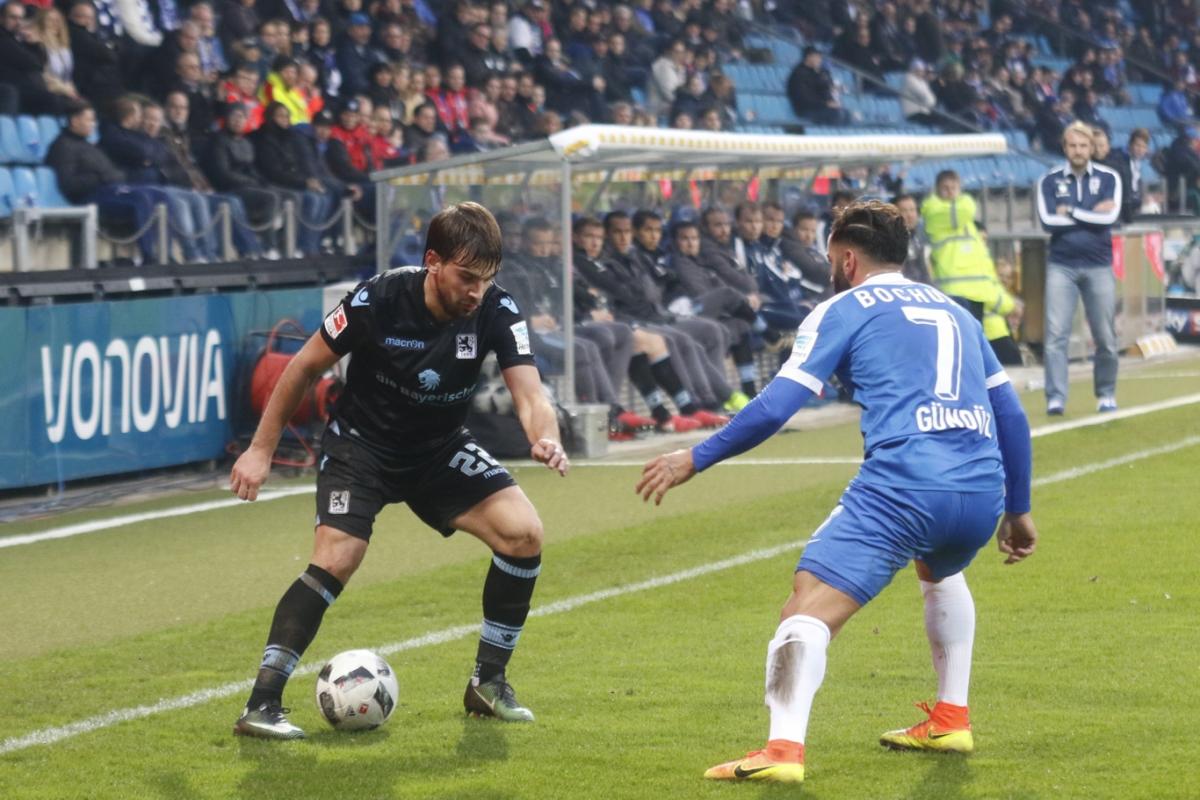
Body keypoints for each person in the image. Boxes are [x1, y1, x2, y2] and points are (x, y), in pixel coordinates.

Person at [636, 200, 1037, 786]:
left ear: (846, 259)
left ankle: (782, 750)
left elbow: (777, 404)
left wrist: (696, 456)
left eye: (829, 259)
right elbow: (1013, 419)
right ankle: (951, 716)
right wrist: (1019, 509)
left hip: (904, 484)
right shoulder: (958, 313)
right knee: (942, 572)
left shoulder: (843, 308)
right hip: (980, 488)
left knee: (805, 607)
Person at [230, 202, 569, 739]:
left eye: (486, 278)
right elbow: (303, 367)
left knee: (524, 533)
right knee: (339, 555)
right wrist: (260, 449)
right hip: (361, 446)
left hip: (437, 449)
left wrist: (543, 436)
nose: (476, 291)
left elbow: (529, 393)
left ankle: (488, 683)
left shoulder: (497, 310)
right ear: (432, 261)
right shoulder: (378, 298)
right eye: (465, 277)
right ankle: (262, 704)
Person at [1036, 120, 1122, 415]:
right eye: (1072, 145)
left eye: (1083, 145)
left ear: (1091, 147)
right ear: (1064, 148)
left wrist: (1071, 211)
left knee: (1106, 336)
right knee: (1055, 335)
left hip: (1099, 264)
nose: (1078, 150)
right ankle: (1055, 397)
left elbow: (1110, 218)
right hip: (1062, 265)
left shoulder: (1110, 177)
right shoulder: (1048, 180)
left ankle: (1106, 393)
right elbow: (1048, 221)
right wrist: (1090, 214)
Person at [921, 170, 1023, 366]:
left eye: (954, 188)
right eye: (945, 188)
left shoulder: (970, 229)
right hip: (954, 296)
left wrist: (1008, 304)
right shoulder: (935, 213)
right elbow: (962, 210)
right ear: (937, 191)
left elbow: (985, 274)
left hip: (979, 300)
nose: (950, 193)